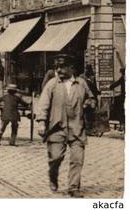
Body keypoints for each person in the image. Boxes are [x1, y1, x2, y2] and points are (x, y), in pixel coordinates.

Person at [37, 53, 95, 197]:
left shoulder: (81, 83)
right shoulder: (52, 84)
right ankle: (53, 175)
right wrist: (42, 122)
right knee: (55, 158)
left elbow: (91, 98)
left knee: (77, 159)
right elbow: (43, 104)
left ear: (72, 68)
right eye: (57, 67)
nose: (59, 70)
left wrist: (90, 103)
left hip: (77, 128)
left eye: (62, 67)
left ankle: (73, 187)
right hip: (57, 127)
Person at [110, 67, 125, 131]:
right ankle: (122, 124)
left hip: (124, 95)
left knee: (118, 107)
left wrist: (111, 86)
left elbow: (117, 83)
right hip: (124, 95)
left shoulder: (123, 78)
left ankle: (122, 124)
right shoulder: (123, 78)